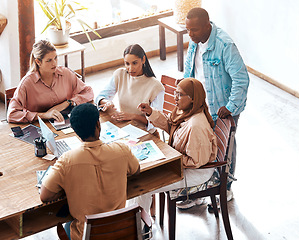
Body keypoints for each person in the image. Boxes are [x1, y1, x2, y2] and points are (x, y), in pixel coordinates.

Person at [40, 103, 140, 240]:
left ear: (75, 131)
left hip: (87, 235)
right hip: (121, 232)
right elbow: (136, 170)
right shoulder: (121, 150)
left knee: (68, 223)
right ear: (98, 125)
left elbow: (45, 196)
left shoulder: (66, 161)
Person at [183, 7, 250, 205]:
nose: (190, 34)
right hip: (200, 105)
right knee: (202, 146)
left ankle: (225, 188)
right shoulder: (195, 41)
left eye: (194, 30)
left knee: (225, 147)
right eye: (188, 30)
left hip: (222, 107)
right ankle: (201, 190)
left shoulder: (224, 45)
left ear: (207, 25)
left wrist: (230, 107)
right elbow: (190, 71)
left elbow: (241, 79)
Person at [134, 77, 217, 212]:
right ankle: (136, 223)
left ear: (192, 98)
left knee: (142, 187)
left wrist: (167, 156)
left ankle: (140, 227)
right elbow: (170, 126)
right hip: (180, 164)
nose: (175, 98)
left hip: (195, 172)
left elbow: (196, 161)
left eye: (180, 94)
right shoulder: (186, 112)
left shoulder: (196, 126)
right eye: (175, 93)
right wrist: (150, 112)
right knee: (139, 179)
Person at [7, 39, 94, 123]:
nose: (54, 63)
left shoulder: (66, 73)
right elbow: (12, 114)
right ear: (38, 62)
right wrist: (44, 115)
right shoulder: (27, 83)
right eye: (49, 60)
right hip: (41, 126)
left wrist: (68, 103)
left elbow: (88, 92)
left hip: (66, 121)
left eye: (55, 58)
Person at [96, 44, 164, 134]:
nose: (130, 68)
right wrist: (107, 102)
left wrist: (133, 116)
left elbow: (156, 122)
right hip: (126, 128)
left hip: (146, 133)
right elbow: (100, 97)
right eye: (127, 63)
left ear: (143, 60)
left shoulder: (156, 86)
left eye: (134, 63)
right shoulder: (120, 74)